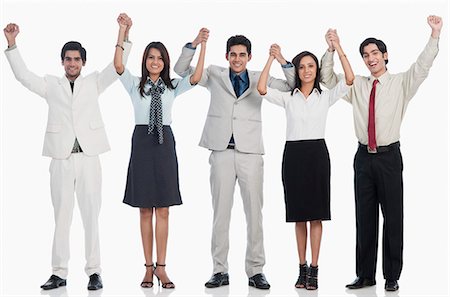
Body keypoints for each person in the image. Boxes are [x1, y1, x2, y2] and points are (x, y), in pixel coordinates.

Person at [3, 17, 132, 291]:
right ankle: (59, 273)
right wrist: (12, 44)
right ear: (62, 62)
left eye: (76, 59)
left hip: (89, 157)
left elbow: (117, 67)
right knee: (61, 216)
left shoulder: (95, 82)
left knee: (91, 215)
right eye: (68, 59)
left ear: (83, 62)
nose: (72, 63)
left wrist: (123, 33)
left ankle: (94, 271)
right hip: (61, 158)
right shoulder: (51, 85)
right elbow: (24, 76)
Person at [320, 15, 442, 292]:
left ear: (385, 56)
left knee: (393, 216)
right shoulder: (358, 85)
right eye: (365, 55)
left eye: (375, 53)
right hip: (363, 158)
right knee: (364, 217)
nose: (370, 58)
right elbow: (327, 78)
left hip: (388, 158)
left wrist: (435, 35)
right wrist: (330, 49)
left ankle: (391, 275)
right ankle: (365, 275)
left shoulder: (401, 83)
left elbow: (422, 66)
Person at [174, 31, 295, 290]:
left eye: (242, 55)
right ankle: (220, 270)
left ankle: (256, 270)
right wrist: (195, 44)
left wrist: (281, 59)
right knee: (221, 214)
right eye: (233, 55)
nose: (237, 59)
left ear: (249, 57)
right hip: (221, 151)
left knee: (254, 214)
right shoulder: (214, 74)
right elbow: (181, 69)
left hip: (250, 152)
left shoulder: (257, 77)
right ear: (226, 56)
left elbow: (291, 85)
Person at [113, 16, 207, 289]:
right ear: (145, 61)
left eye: (160, 58)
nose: (155, 62)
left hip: (164, 143)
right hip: (142, 143)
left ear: (165, 62)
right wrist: (122, 31)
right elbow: (118, 65)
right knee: (144, 209)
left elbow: (197, 76)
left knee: (163, 209)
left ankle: (162, 268)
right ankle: (147, 267)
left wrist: (200, 45)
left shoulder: (172, 86)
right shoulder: (135, 84)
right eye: (151, 58)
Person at [257, 39, 354, 289]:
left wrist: (338, 48)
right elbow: (261, 88)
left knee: (316, 216)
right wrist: (273, 58)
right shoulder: (290, 97)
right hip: (294, 156)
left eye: (311, 66)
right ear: (296, 71)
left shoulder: (326, 96)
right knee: (299, 216)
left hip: (317, 156)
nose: (307, 70)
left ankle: (315, 268)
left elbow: (350, 78)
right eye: (302, 67)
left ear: (317, 70)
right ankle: (301, 269)